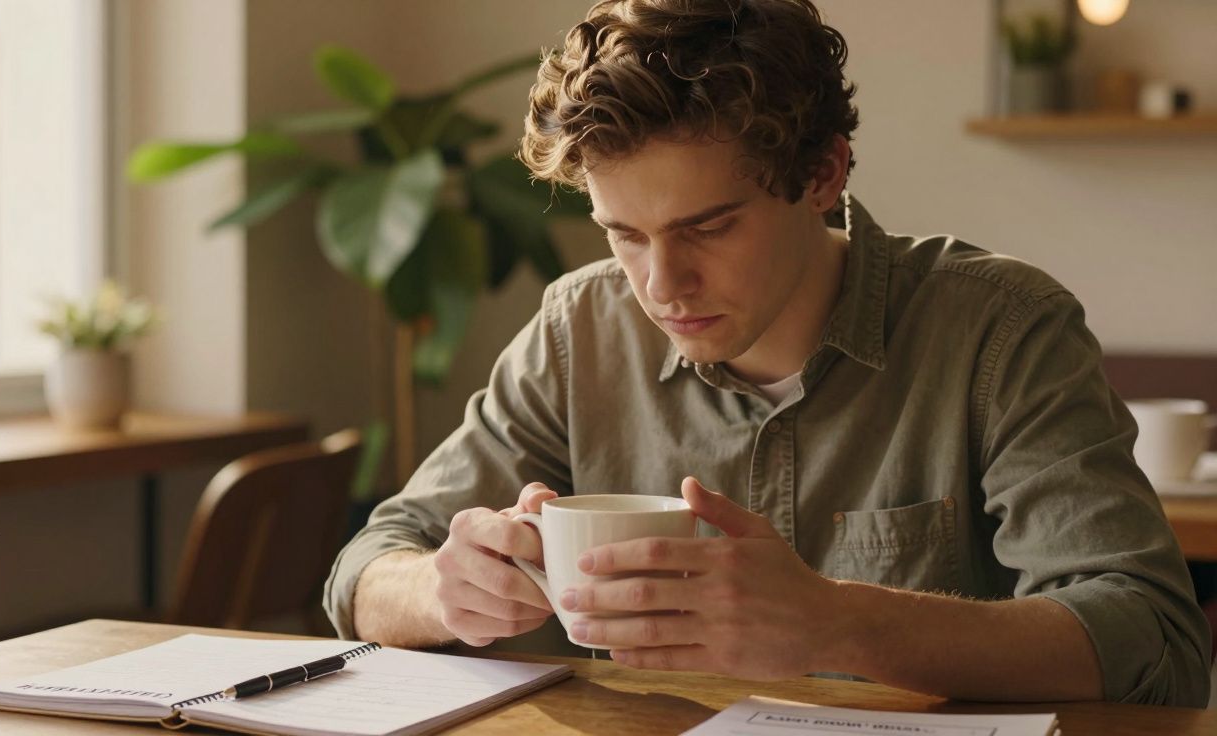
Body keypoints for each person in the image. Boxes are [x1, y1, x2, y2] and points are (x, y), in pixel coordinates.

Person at [324, 0, 1211, 706]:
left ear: (823, 174)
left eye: (706, 227)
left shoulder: (1000, 330)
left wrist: (837, 623)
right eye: (622, 234)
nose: (661, 284)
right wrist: (445, 591)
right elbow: (368, 568)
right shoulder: (577, 332)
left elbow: (1153, 640)